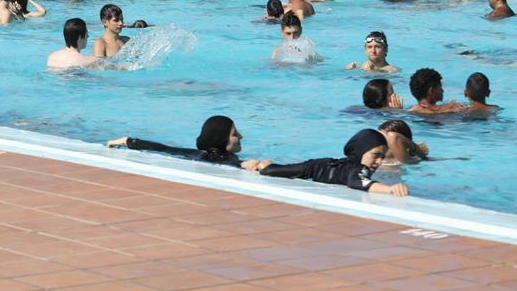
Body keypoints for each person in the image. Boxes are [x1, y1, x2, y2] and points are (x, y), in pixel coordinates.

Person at [258, 129, 409, 196]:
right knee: (271, 170)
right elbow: (359, 182)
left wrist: (268, 168)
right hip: (318, 172)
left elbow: (287, 170)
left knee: (272, 169)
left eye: (382, 156)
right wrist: (390, 189)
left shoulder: (337, 164)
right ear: (360, 151)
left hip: (319, 168)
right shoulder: (357, 169)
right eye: (375, 155)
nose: (379, 161)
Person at [106, 115, 269, 171]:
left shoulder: (215, 154)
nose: (240, 136)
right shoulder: (214, 157)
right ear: (221, 139)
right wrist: (241, 164)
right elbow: (222, 163)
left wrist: (129, 141)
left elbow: (164, 148)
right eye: (234, 134)